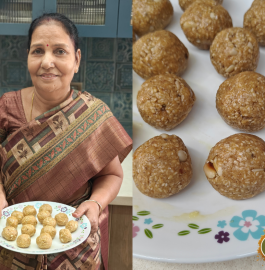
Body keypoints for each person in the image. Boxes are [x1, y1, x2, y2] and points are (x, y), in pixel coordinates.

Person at [0, 13, 132, 270]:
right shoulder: (7, 107)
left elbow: (112, 176)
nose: (47, 62)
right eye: (38, 51)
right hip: (12, 242)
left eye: (59, 51)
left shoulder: (93, 115)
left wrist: (95, 203)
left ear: (77, 59)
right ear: (28, 56)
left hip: (75, 250)